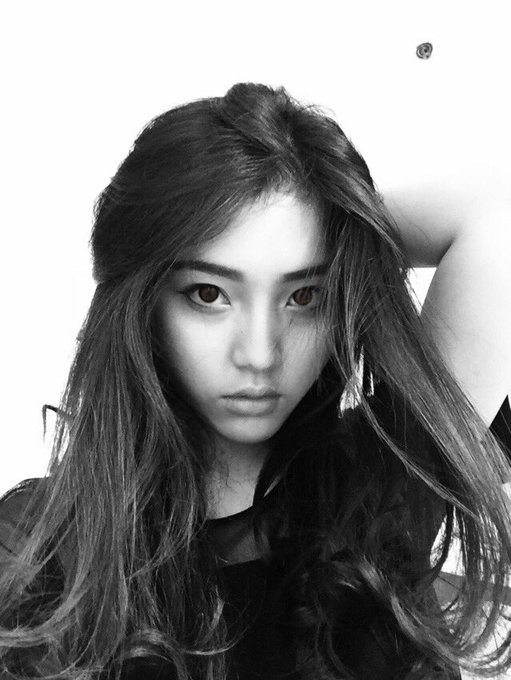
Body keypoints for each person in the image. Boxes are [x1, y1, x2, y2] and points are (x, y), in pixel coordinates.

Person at [1, 82, 510, 680]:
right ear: (144, 305)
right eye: (208, 294)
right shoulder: (42, 550)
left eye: (305, 296)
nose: (261, 355)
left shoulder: (382, 479)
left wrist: (337, 218)